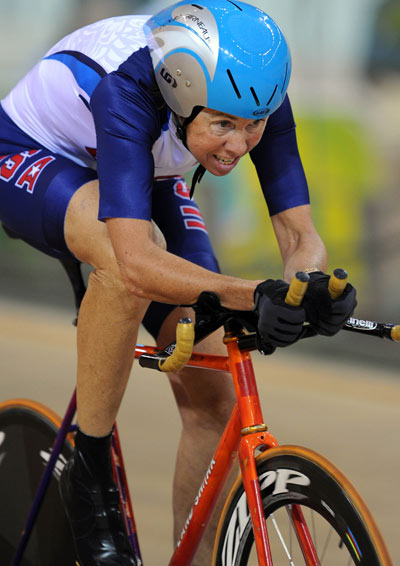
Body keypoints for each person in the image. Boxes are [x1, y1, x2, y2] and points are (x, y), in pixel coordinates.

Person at [0, 1, 357, 564]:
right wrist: (249, 294)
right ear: (181, 94)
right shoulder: (128, 89)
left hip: (137, 162)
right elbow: (139, 261)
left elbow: (298, 236)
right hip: (33, 153)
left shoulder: (251, 91)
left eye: (253, 126)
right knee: (124, 268)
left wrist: (310, 287)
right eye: (223, 125)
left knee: (212, 392)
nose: (240, 146)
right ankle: (89, 479)